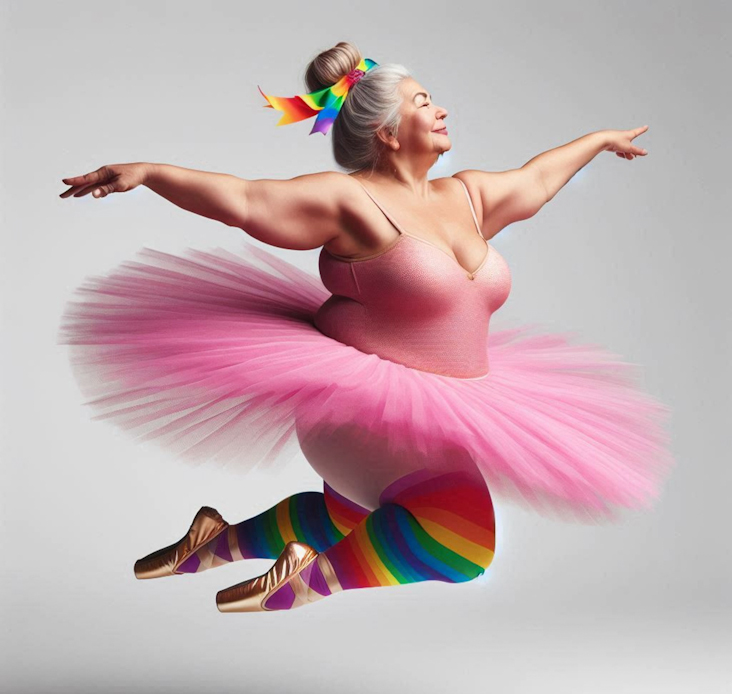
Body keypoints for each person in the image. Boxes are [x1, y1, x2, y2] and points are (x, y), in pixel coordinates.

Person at [57, 41, 674, 613]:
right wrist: (152, 173)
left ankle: (213, 543)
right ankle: (307, 580)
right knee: (462, 541)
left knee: (353, 518)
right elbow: (248, 201)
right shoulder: (350, 200)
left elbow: (538, 179)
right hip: (360, 404)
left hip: (440, 404)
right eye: (423, 101)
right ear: (386, 131)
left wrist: (596, 140)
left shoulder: (470, 196)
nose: (441, 110)